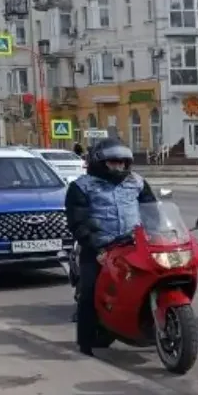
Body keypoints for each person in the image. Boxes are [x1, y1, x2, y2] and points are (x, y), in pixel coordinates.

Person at [64, 138, 157, 356]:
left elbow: (153, 211)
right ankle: (85, 343)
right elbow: (77, 220)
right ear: (100, 162)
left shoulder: (137, 182)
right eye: (113, 162)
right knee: (89, 291)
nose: (119, 166)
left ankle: (172, 327)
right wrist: (94, 244)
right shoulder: (81, 186)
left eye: (123, 163)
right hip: (99, 248)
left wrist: (160, 233)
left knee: (157, 277)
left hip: (135, 245)